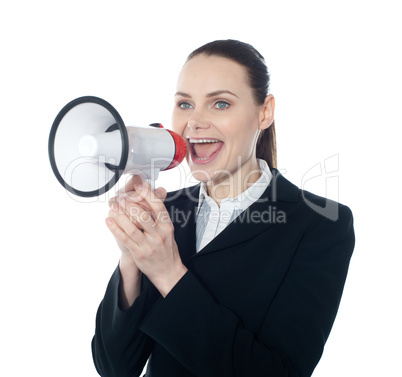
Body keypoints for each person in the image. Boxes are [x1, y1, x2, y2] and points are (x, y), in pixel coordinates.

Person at [91, 39, 355, 377]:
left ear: (265, 112)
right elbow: (115, 368)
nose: (195, 122)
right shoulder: (164, 212)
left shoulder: (319, 225)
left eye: (220, 104)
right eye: (185, 104)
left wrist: (167, 272)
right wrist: (132, 258)